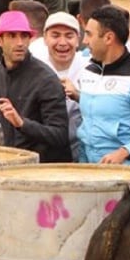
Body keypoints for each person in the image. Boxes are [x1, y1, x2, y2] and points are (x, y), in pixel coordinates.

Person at [0, 10, 71, 162]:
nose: (20, 43)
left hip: (45, 169)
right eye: (12, 36)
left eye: (24, 36)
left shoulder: (46, 80)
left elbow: (59, 135)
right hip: (14, 161)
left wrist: (21, 123)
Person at [76, 5, 130, 164]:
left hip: (128, 173)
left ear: (108, 38)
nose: (84, 41)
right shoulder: (88, 71)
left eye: (89, 34)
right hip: (90, 173)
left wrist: (124, 152)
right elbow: (86, 128)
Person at [30, 10, 88, 160]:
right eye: (55, 35)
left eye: (69, 36)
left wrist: (78, 95)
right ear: (45, 39)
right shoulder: (34, 69)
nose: (62, 43)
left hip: (82, 150)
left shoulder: (90, 69)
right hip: (41, 149)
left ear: (78, 40)